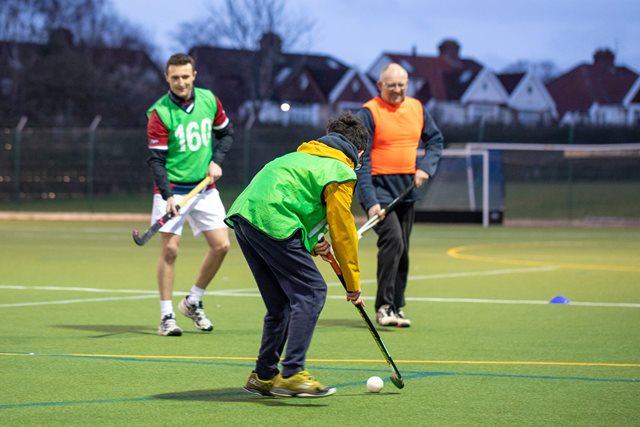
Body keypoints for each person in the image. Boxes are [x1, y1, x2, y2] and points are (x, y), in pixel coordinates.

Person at [224, 112, 367, 398]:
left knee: (281, 304)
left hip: (244, 216)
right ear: (359, 153)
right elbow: (343, 232)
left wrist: (313, 242)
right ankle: (292, 373)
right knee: (312, 292)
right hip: (273, 221)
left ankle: (263, 376)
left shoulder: (297, 157)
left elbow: (297, 201)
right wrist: (353, 285)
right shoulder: (342, 171)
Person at [146, 53, 234, 336]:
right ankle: (166, 316)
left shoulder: (209, 100)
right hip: (171, 190)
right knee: (170, 250)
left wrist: (216, 160)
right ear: (167, 78)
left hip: (205, 188)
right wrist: (168, 195)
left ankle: (193, 301)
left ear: (194, 75)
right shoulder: (159, 113)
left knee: (222, 246)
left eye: (185, 77)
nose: (181, 82)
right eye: (175, 78)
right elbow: (156, 160)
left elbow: (226, 134)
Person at [356, 63, 444, 328]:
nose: (397, 90)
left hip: (407, 188)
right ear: (380, 85)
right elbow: (362, 160)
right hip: (378, 187)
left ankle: (396, 306)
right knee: (392, 240)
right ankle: (383, 307)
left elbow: (436, 141)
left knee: (403, 248)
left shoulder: (417, 108)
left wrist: (425, 169)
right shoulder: (368, 113)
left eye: (401, 85)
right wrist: (370, 202)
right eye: (391, 85)